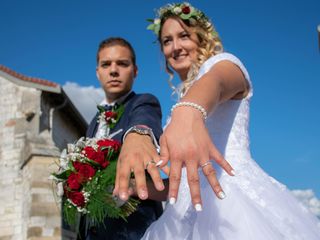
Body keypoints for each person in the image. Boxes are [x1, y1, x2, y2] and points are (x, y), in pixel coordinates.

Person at [115, 3, 320, 239]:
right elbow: (183, 182)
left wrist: (190, 111)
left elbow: (218, 82)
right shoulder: (181, 100)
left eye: (184, 36)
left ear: (202, 37)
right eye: (167, 41)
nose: (175, 47)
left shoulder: (221, 65)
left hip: (229, 203)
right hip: (181, 214)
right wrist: (136, 188)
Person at [77, 37, 167, 240]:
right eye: (106, 64)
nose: (114, 70)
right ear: (98, 72)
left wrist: (139, 133)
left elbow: (145, 120)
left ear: (135, 71)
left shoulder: (142, 103)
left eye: (122, 63)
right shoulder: (93, 122)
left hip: (134, 230)